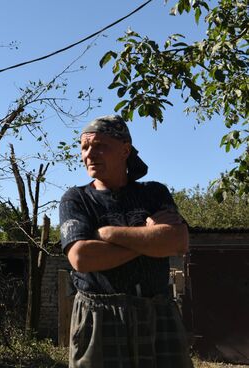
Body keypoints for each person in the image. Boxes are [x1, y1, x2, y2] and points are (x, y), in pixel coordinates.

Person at [59, 115, 192, 368]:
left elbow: (178, 241)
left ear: (124, 150)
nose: (89, 154)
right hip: (98, 317)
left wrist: (108, 234)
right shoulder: (76, 199)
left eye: (99, 145)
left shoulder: (154, 193)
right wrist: (149, 238)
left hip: (158, 313)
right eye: (85, 147)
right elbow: (82, 257)